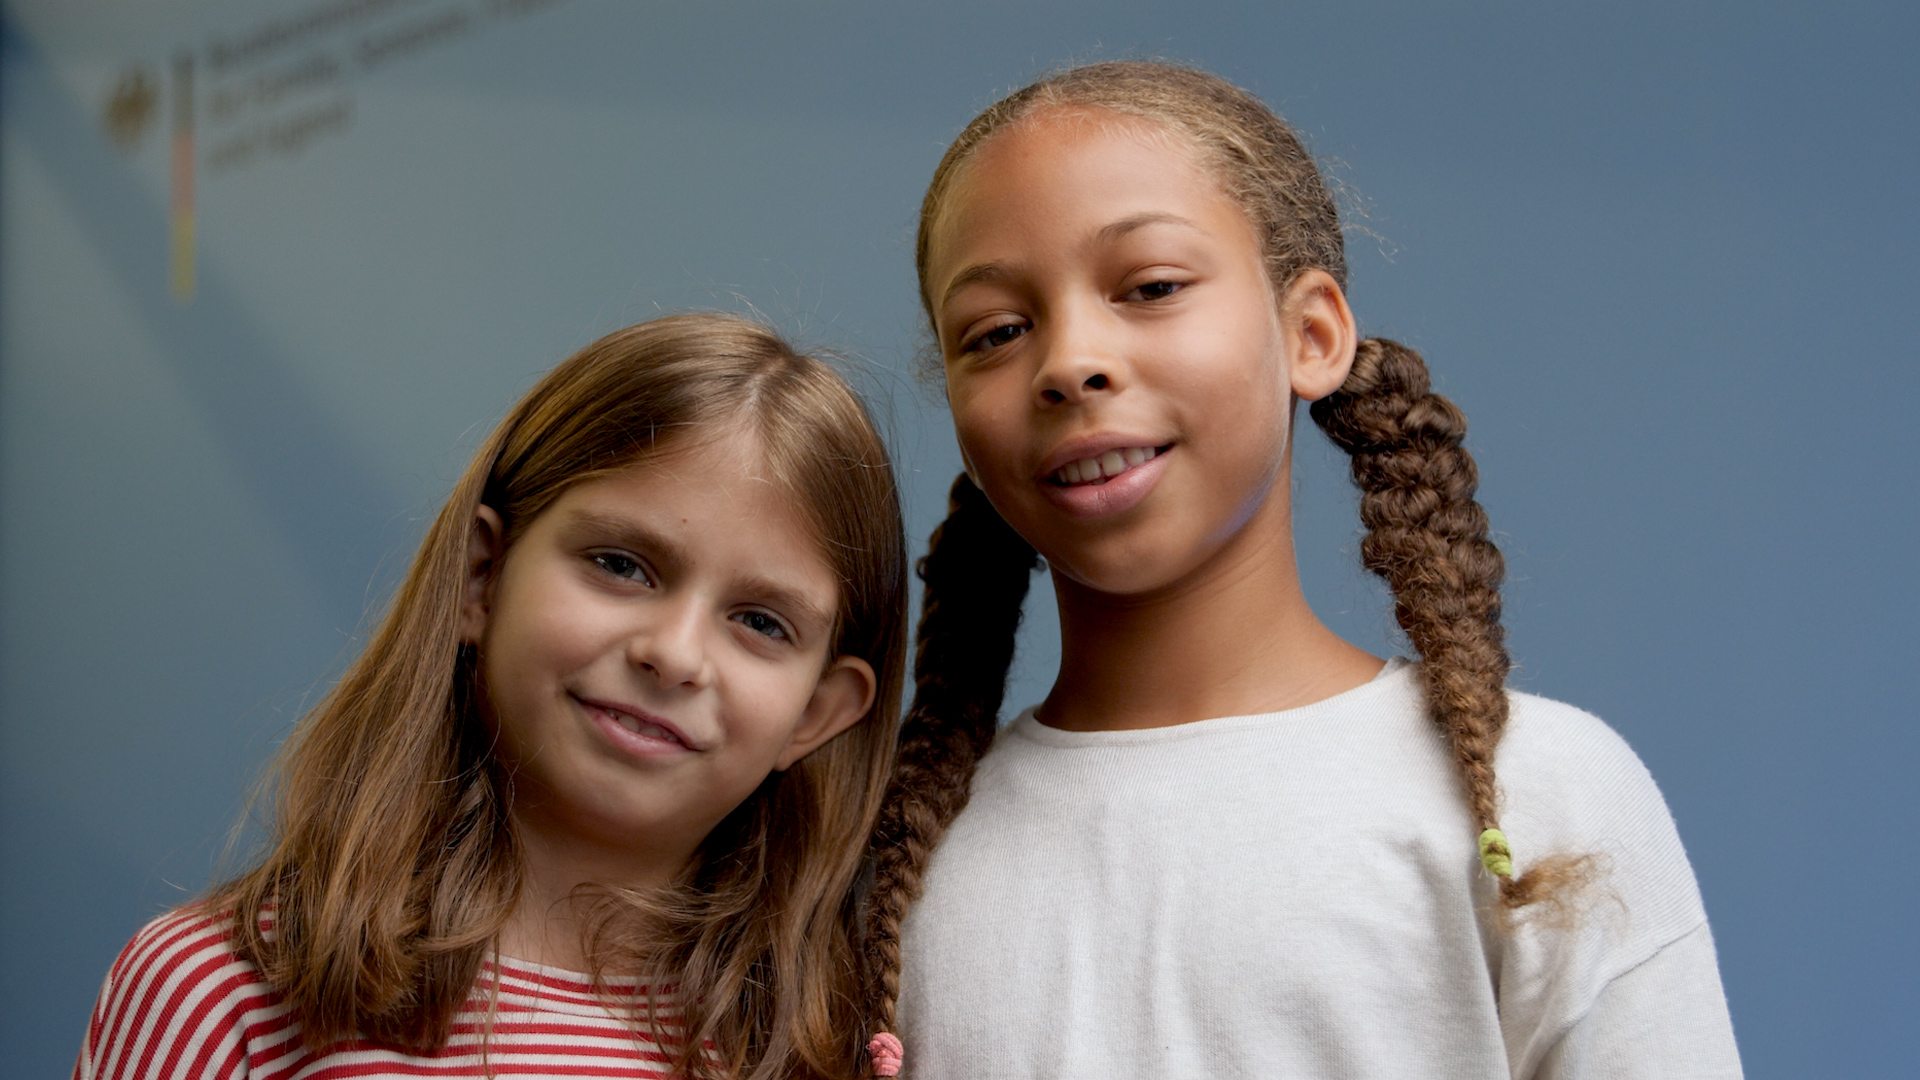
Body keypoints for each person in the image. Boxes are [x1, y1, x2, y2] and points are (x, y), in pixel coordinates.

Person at [860, 61, 1741, 1079]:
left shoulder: (1536, 794)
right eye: (998, 332)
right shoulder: (892, 861)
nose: (1069, 361)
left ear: (1312, 334)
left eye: (1150, 287)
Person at [75, 314, 907, 1080]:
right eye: (621, 565)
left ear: (815, 714)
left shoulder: (831, 1047)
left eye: (760, 622)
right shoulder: (223, 998)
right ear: (482, 576)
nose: (675, 655)